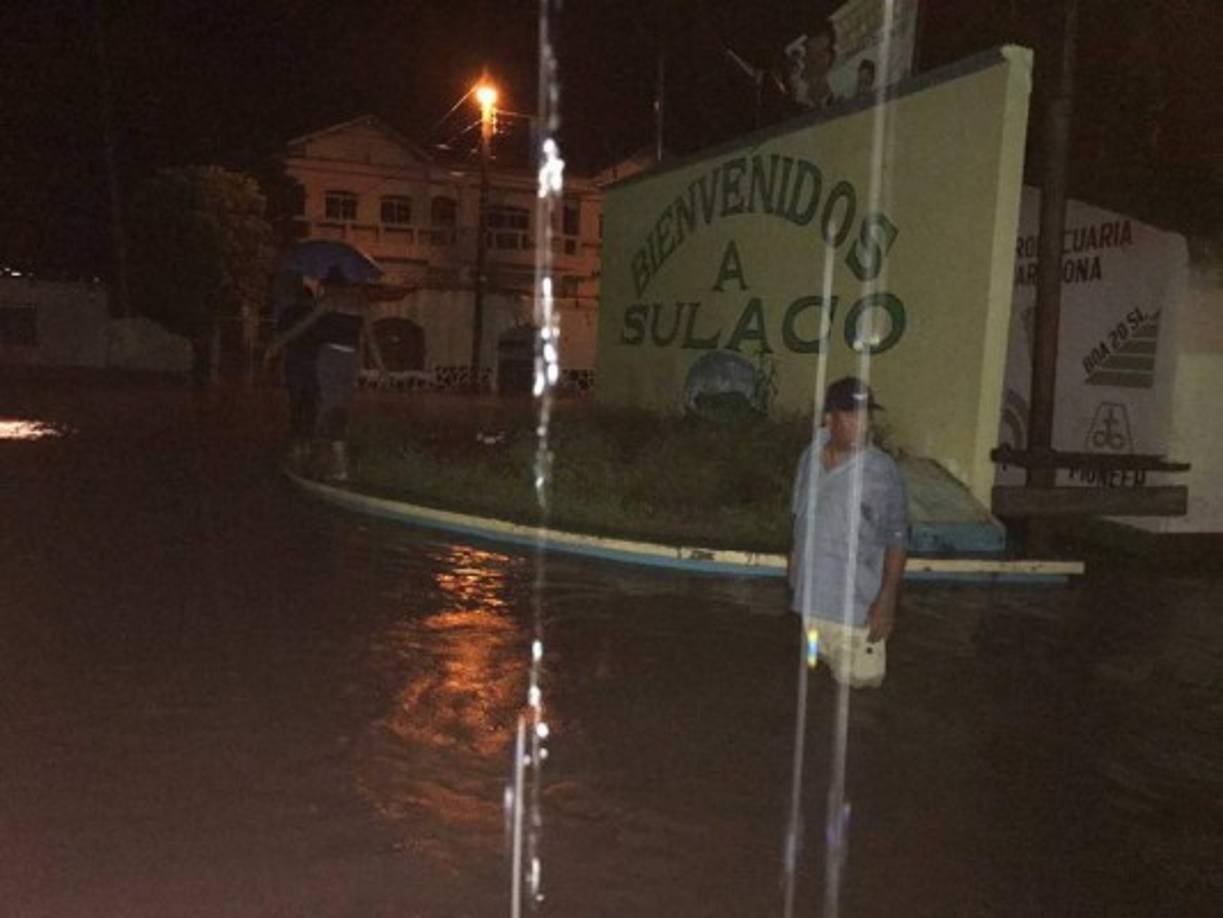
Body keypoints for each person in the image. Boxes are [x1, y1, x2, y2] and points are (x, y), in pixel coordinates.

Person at [788, 377, 908, 688]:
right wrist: (793, 568)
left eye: (866, 416)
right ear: (829, 418)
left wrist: (887, 599)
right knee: (812, 675)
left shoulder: (881, 472)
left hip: (857, 615)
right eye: (852, 415)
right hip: (811, 611)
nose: (862, 424)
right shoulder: (809, 457)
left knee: (858, 698)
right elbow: (799, 515)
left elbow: (896, 537)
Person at [266, 266, 383, 482]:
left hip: (329, 357)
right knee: (339, 405)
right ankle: (333, 459)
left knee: (330, 405)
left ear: (329, 285)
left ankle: (335, 461)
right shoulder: (361, 304)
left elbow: (302, 326)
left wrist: (278, 343)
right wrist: (381, 367)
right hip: (351, 359)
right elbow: (371, 339)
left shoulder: (328, 301)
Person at [271, 272, 322, 469]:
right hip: (313, 361)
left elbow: (282, 335)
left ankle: (296, 438)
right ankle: (307, 439)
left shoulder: (288, 313)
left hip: (294, 360)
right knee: (310, 400)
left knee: (296, 401)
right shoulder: (317, 314)